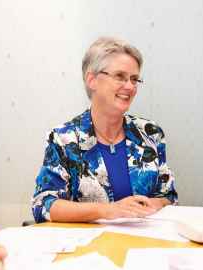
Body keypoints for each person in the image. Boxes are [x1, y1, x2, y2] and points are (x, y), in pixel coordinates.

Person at [32, 37, 178, 223]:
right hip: (89, 249)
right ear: (92, 80)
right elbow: (43, 205)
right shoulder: (65, 138)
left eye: (134, 79)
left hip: (143, 246)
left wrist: (156, 205)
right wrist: (107, 210)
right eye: (120, 76)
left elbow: (169, 197)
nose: (130, 87)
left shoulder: (150, 133)